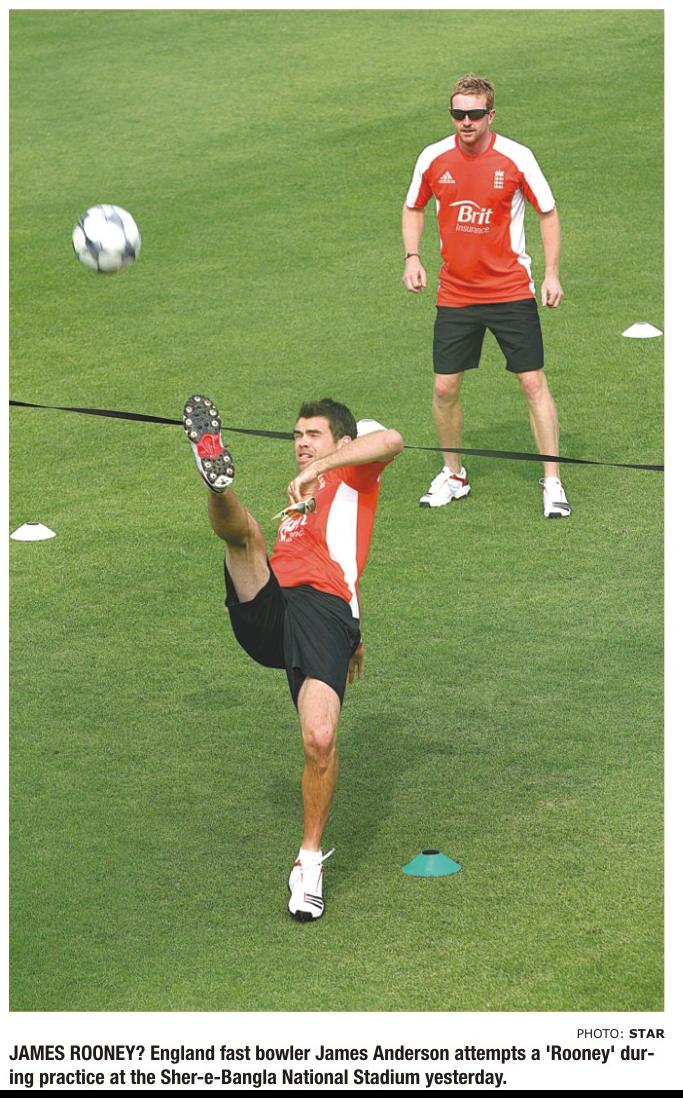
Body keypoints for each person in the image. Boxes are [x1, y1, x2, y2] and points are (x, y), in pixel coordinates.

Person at [183, 394, 403, 921]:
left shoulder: (353, 475)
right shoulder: (300, 497)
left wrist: (319, 470)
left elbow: (392, 439)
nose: (301, 444)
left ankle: (308, 863)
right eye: (298, 436)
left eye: (313, 435)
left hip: (323, 614)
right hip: (275, 604)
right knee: (247, 538)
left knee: (320, 738)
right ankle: (216, 481)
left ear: (340, 442)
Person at [402, 72, 571, 518]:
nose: (466, 122)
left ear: (490, 115)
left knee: (532, 382)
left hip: (510, 290)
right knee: (444, 387)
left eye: (475, 114)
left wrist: (551, 274)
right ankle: (453, 474)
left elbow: (548, 213)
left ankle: (553, 480)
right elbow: (413, 206)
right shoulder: (433, 158)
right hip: (456, 293)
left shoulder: (517, 158)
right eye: (458, 114)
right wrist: (412, 256)